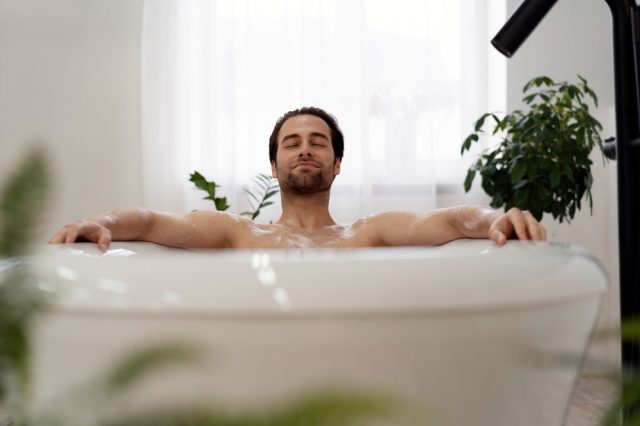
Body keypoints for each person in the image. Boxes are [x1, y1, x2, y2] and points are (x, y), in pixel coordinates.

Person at [49, 106, 546, 251]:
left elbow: (454, 219)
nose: (305, 147)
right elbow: (153, 222)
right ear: (275, 166)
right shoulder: (238, 231)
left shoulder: (366, 232)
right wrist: (100, 220)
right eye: (292, 142)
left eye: (318, 141)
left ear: (336, 164)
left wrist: (495, 217)